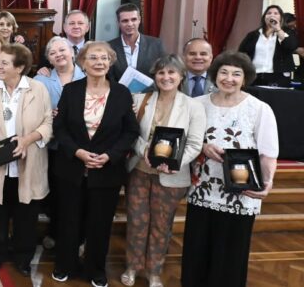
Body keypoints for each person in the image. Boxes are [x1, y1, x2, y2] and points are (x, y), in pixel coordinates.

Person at [182, 51, 278, 287]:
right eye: (224, 72)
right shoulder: (197, 104)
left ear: (245, 78)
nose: (229, 78)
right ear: (215, 75)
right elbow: (184, 138)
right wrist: (203, 146)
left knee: (231, 255)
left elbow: (268, 152)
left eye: (236, 74)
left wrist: (268, 183)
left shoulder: (259, 108)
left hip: (241, 192)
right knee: (197, 249)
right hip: (202, 190)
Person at [51, 41, 140, 287]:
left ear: (110, 62)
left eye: (104, 58)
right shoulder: (71, 90)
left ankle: (96, 270)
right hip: (72, 168)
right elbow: (59, 128)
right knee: (69, 220)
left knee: (100, 224)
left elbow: (130, 131)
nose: (99, 62)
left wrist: (111, 155)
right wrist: (77, 151)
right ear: (83, 63)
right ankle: (64, 265)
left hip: (107, 170)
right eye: (93, 58)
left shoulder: (122, 93)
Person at [122, 55, 205, 287]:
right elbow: (131, 133)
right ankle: (132, 266)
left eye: (171, 73)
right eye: (161, 73)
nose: (166, 77)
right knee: (137, 221)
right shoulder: (139, 100)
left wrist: (175, 162)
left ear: (181, 76)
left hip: (172, 177)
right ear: (154, 76)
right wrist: (143, 150)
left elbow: (195, 144)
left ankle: (154, 271)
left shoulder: (193, 106)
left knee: (161, 224)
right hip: (139, 170)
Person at [0, 43, 53, 276]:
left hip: (28, 164)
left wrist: (27, 139)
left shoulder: (38, 89)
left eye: (4, 62)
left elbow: (48, 124)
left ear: (20, 67)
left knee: (25, 217)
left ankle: (23, 258)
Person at [33, 36, 86, 250]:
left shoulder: (89, 76)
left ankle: (80, 237)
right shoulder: (41, 80)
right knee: (56, 193)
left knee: (81, 194)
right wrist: (49, 114)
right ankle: (55, 232)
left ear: (72, 52)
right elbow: (33, 113)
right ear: (49, 60)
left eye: (62, 50)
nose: (59, 55)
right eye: (53, 53)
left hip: (84, 145)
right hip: (54, 145)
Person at [238, 5, 299, 87]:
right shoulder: (253, 35)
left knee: (276, 99)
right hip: (254, 75)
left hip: (278, 76)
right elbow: (241, 53)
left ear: (281, 18)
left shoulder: (287, 32)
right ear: (264, 17)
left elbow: (291, 46)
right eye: (269, 13)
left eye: (276, 13)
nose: (272, 15)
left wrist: (278, 29)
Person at [107, 3, 167, 82]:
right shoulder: (109, 46)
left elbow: (163, 72)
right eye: (125, 21)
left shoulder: (156, 44)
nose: (130, 24)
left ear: (139, 20)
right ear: (118, 23)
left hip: (150, 93)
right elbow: (108, 76)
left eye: (134, 19)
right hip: (119, 93)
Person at [36, 10, 90, 76]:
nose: (76, 27)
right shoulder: (49, 50)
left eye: (80, 23)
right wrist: (42, 70)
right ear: (64, 28)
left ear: (87, 28)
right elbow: (40, 71)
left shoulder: (95, 48)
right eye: (72, 23)